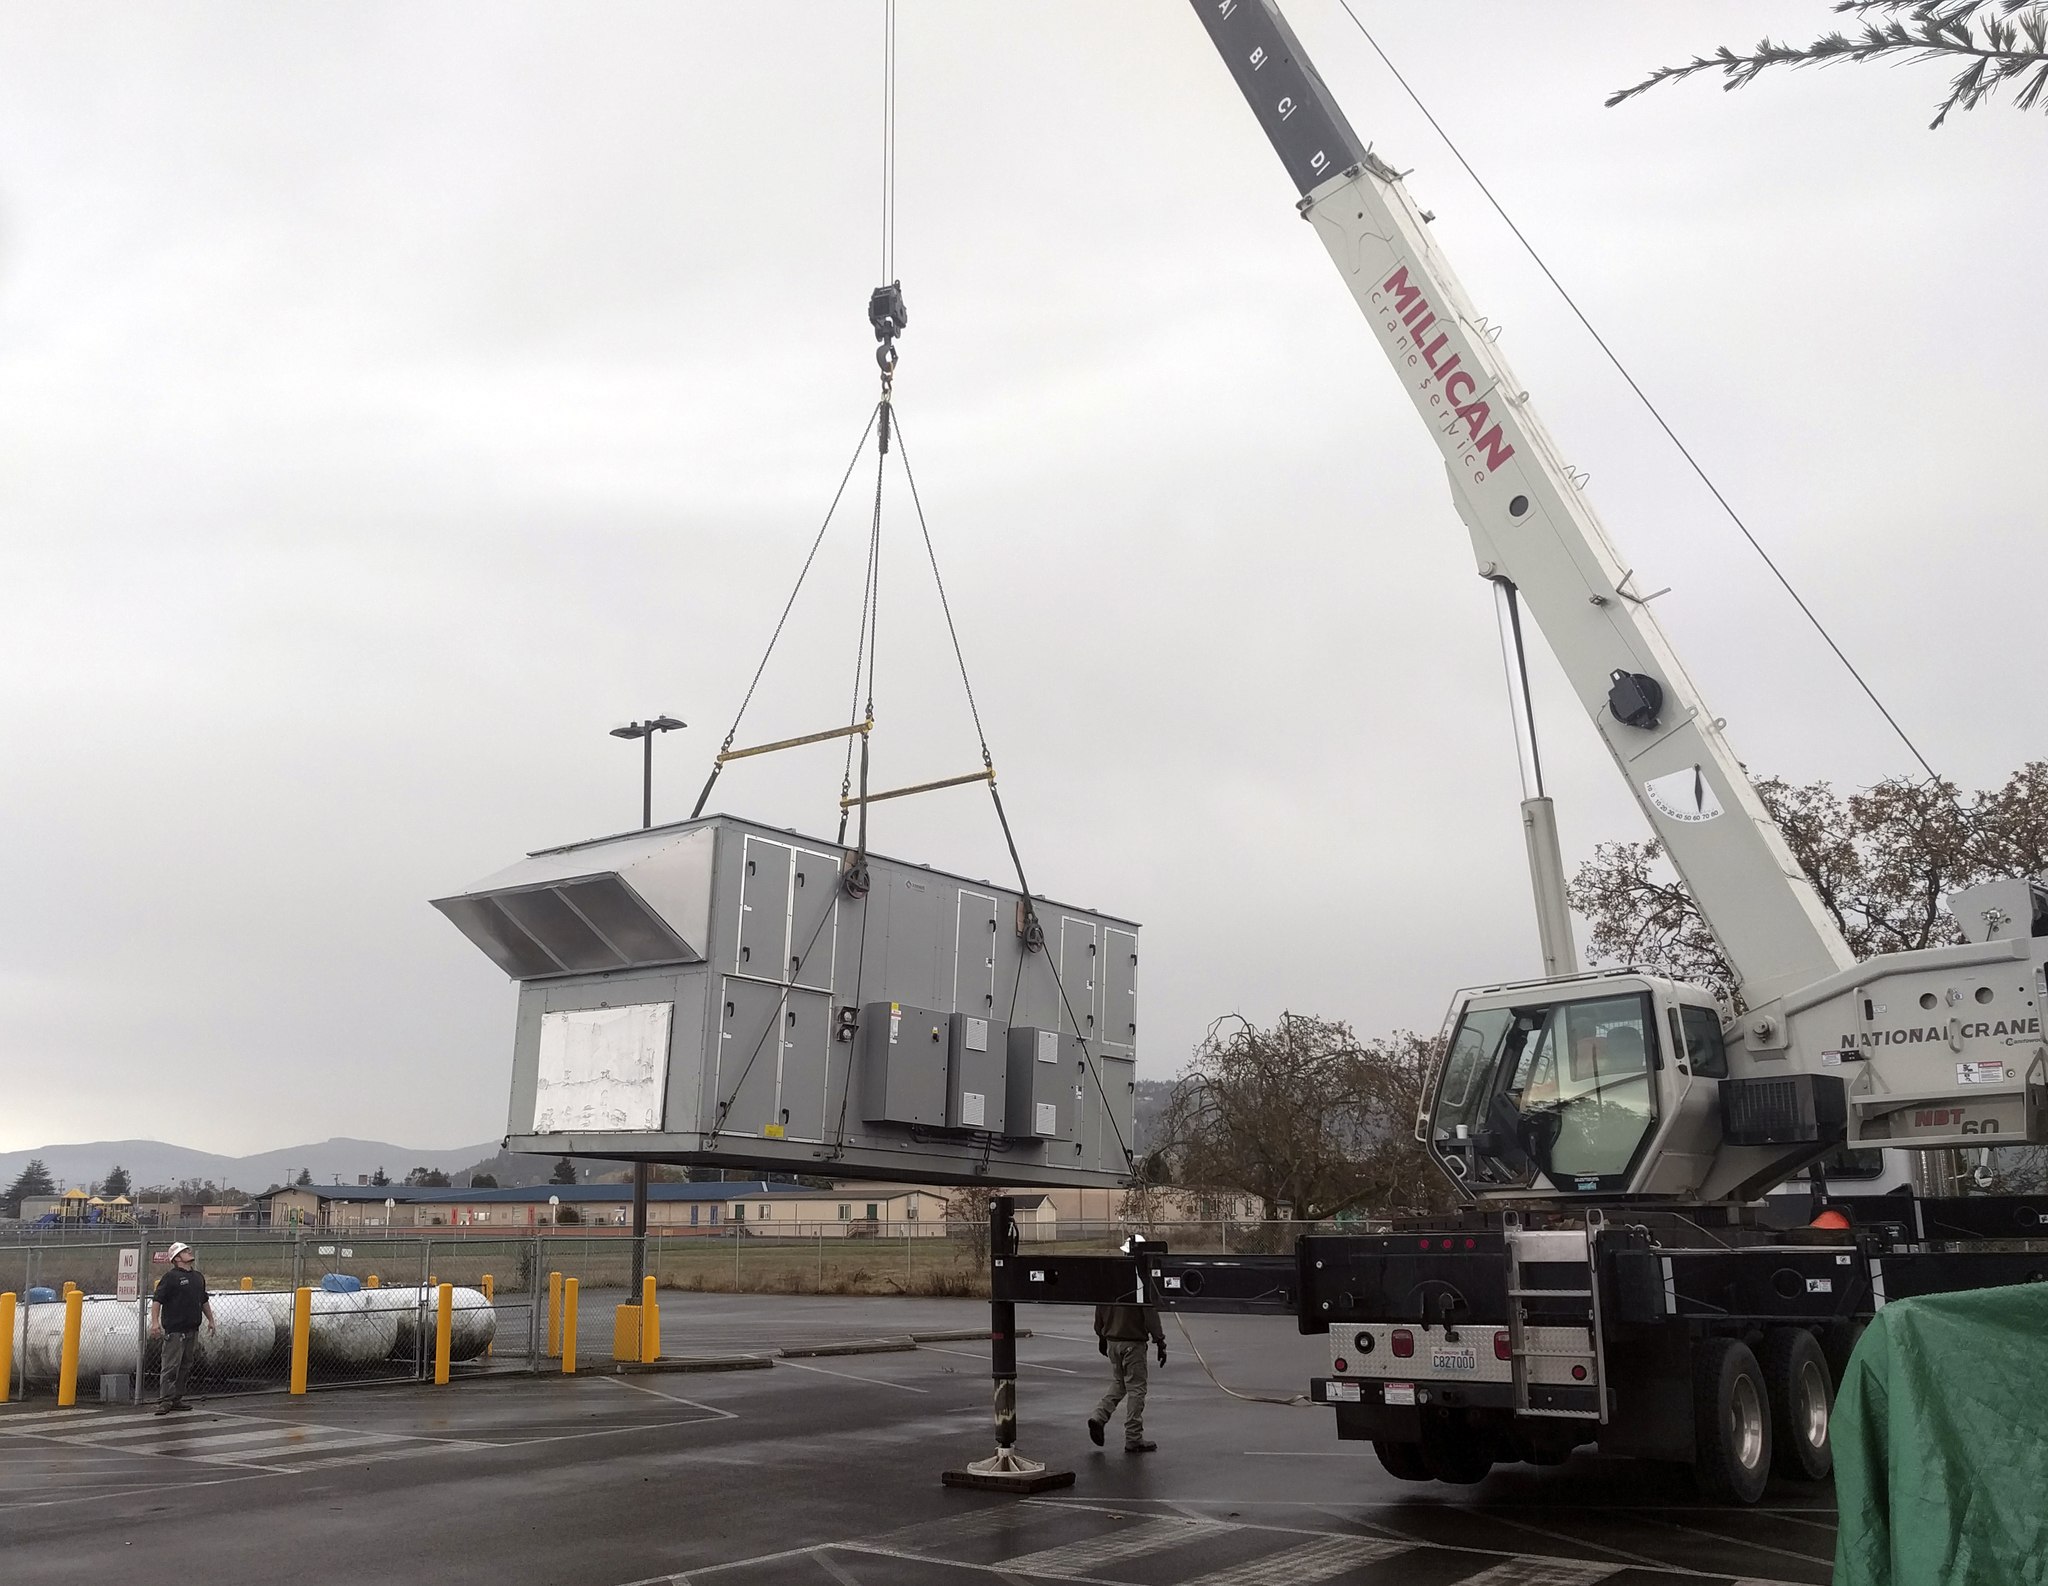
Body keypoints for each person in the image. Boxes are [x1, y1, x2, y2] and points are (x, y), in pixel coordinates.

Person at [1088, 1298, 1166, 1453]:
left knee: (1119, 1383)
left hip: (1112, 1341)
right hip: (1132, 1342)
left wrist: (1101, 1336)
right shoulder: (1137, 1286)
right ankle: (1134, 1437)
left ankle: (1099, 1416)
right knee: (1137, 1389)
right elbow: (1149, 1312)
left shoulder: (1107, 1284)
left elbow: (1099, 1310)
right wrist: (1159, 1340)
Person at [149, 1241, 214, 1414]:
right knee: (171, 1366)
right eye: (185, 1251)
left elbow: (203, 1300)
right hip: (175, 1331)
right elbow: (157, 1300)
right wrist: (155, 1323)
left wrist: (211, 1320)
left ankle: (177, 1398)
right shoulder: (171, 1278)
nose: (189, 1252)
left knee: (185, 1365)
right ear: (177, 1258)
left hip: (192, 1329)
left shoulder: (197, 1277)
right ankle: (165, 1400)